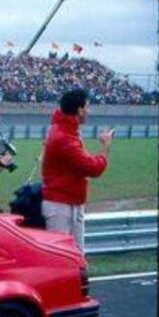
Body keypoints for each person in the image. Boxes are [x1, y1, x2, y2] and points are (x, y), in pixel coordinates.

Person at [41, 87, 113, 250]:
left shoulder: (66, 130)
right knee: (63, 260)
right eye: (87, 107)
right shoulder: (64, 137)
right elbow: (93, 168)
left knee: (75, 260)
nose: (89, 111)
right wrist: (106, 146)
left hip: (67, 204)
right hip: (62, 207)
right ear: (79, 110)